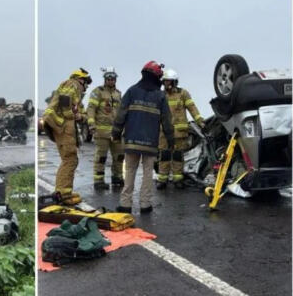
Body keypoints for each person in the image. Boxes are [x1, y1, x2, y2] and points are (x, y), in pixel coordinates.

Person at [112, 61, 174, 213]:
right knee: (148, 173)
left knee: (130, 171)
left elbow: (121, 114)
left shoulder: (132, 91)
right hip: (150, 143)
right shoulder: (160, 96)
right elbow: (167, 120)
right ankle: (145, 204)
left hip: (132, 141)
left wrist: (116, 132)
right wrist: (170, 139)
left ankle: (125, 204)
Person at [43, 68, 92, 203]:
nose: (86, 87)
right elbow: (66, 102)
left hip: (63, 126)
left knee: (69, 159)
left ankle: (63, 192)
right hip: (62, 126)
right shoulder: (72, 84)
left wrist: (81, 116)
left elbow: (81, 113)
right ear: (80, 79)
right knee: (70, 160)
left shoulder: (75, 92)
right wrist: (73, 115)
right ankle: (63, 195)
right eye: (86, 82)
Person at [156, 68, 205, 189]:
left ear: (174, 82)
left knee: (178, 156)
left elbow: (192, 107)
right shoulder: (160, 95)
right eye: (165, 81)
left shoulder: (183, 93)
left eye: (168, 81)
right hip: (164, 132)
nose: (166, 84)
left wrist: (200, 121)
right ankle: (162, 179)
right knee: (164, 155)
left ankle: (178, 179)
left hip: (179, 132)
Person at [86, 67, 124, 189]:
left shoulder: (118, 94)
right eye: (109, 78)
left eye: (113, 78)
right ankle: (99, 180)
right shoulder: (98, 92)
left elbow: (122, 112)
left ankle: (117, 177)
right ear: (105, 79)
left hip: (116, 132)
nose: (111, 80)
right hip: (101, 132)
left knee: (119, 156)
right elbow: (91, 108)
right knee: (101, 157)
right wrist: (91, 124)